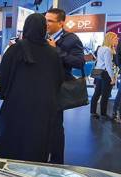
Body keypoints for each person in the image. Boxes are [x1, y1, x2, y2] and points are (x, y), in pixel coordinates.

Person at [0, 14, 63, 162]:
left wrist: (5, 93)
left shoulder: (14, 50)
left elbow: (2, 75)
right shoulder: (53, 53)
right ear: (43, 28)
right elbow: (58, 80)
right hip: (43, 109)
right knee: (37, 146)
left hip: (15, 106)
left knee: (10, 145)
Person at [45, 8, 85, 164]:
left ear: (61, 23)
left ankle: (56, 162)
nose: (46, 23)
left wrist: (57, 51)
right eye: (45, 20)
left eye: (50, 21)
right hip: (43, 87)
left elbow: (79, 62)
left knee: (55, 126)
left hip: (58, 88)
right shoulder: (44, 36)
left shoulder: (71, 39)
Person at [90, 32, 118, 119]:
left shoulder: (101, 48)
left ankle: (93, 111)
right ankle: (103, 113)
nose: (117, 40)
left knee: (97, 93)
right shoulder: (108, 50)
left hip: (99, 72)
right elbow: (108, 65)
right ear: (110, 39)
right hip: (106, 74)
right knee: (105, 95)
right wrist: (112, 77)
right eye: (115, 38)